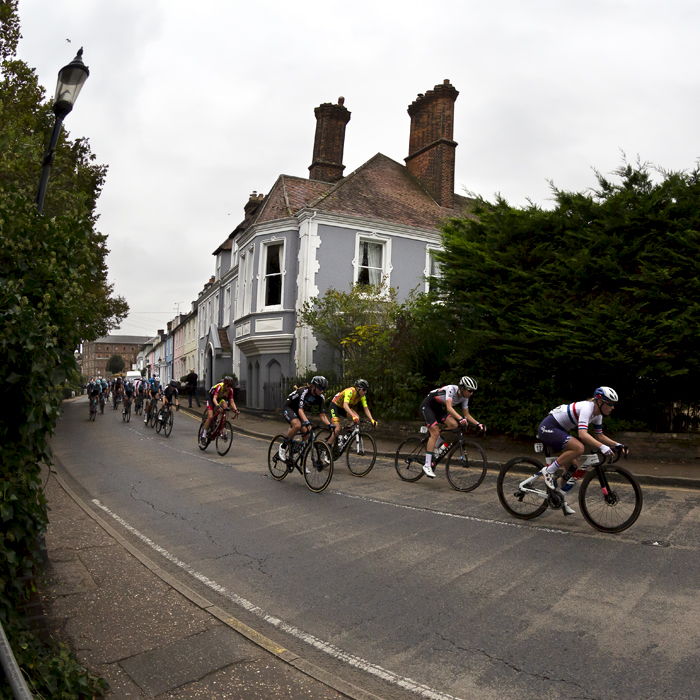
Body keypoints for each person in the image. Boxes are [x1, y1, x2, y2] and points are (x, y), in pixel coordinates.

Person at [536, 386, 628, 515]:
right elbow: (582, 434)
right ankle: (549, 471)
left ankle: (560, 498)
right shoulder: (587, 407)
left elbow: (599, 436)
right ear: (600, 402)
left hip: (560, 431)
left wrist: (618, 444)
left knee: (572, 468)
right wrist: (602, 447)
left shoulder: (597, 415)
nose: (613, 407)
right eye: (611, 404)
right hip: (548, 427)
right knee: (579, 448)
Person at [419, 376, 486, 479]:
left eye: (473, 391)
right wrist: (460, 418)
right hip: (428, 405)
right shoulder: (451, 389)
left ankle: (435, 447)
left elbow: (466, 415)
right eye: (470, 390)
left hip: (437, 408)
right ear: (462, 388)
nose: (471, 393)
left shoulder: (465, 397)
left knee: (453, 425)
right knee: (435, 432)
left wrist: (478, 424)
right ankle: (427, 465)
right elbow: (449, 408)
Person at [278, 376, 331, 462]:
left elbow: (322, 415)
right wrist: (307, 422)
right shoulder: (304, 392)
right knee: (297, 425)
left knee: (307, 434)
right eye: (320, 388)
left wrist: (330, 425)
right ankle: (283, 446)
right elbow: (300, 410)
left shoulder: (321, 398)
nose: (322, 391)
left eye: (324, 388)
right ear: (313, 386)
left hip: (298, 412)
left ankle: (301, 463)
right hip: (289, 408)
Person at [327, 378, 377, 454]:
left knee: (357, 419)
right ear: (357, 388)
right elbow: (345, 405)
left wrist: (372, 419)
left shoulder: (362, 397)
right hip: (335, 406)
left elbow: (366, 409)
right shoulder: (350, 391)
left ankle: (346, 437)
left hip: (344, 409)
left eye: (366, 390)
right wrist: (353, 415)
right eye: (363, 390)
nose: (365, 392)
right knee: (337, 429)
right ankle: (327, 449)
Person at [201, 376, 238, 444]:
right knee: (210, 416)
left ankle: (221, 423)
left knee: (225, 407)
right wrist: (217, 407)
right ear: (224, 384)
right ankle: (203, 434)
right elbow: (214, 399)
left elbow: (232, 401)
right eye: (227, 386)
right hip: (211, 398)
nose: (229, 388)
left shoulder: (230, 390)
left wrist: (236, 410)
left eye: (230, 386)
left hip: (220, 399)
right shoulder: (219, 387)